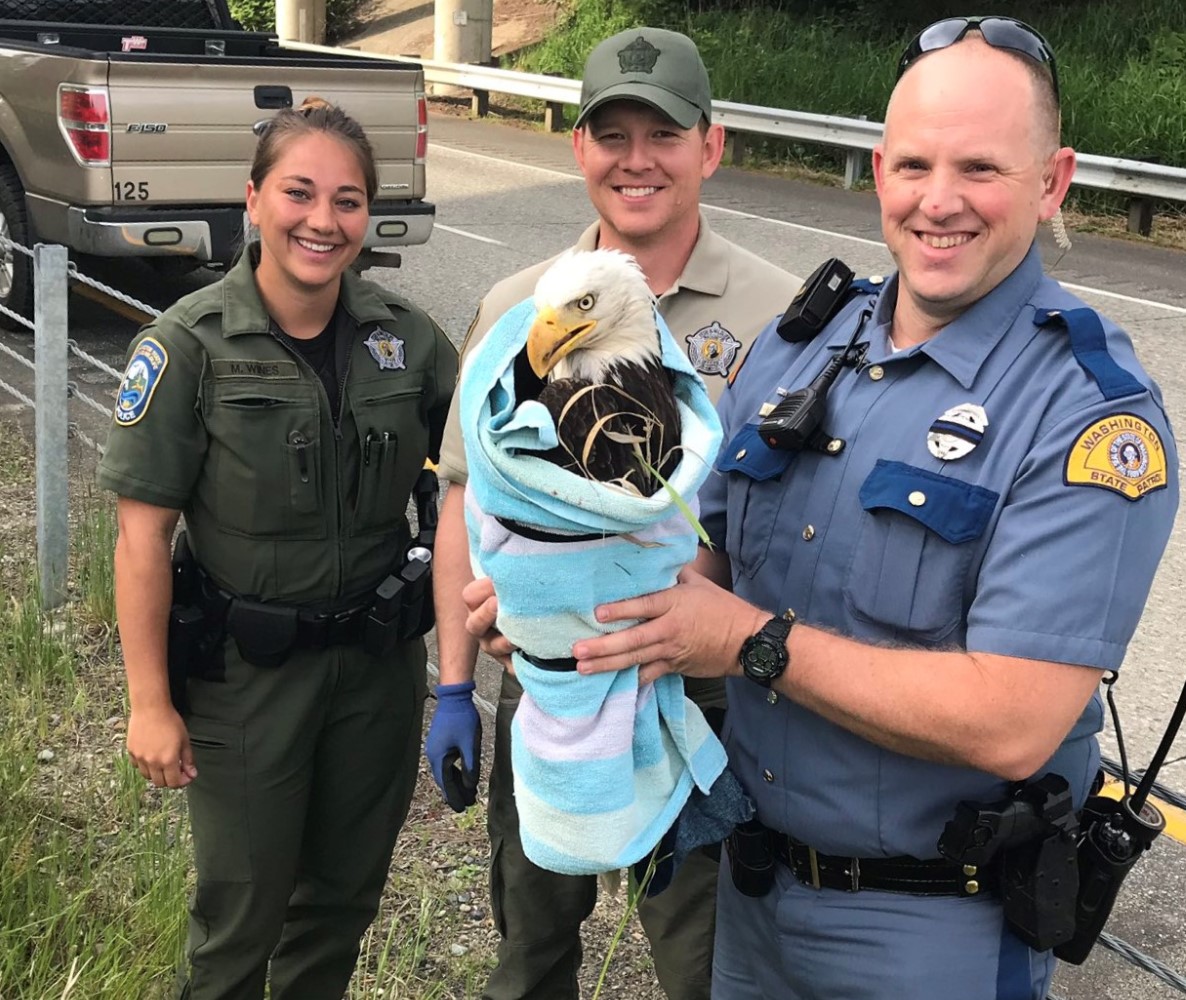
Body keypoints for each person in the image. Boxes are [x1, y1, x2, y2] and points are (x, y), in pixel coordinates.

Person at [484, 17, 1180, 1000]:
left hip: (931, 933)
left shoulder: (1084, 411)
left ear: (1051, 180)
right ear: (876, 168)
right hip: (754, 901)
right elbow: (702, 562)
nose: (937, 202)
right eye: (912, 165)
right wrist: (568, 610)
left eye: (979, 168)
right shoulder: (805, 342)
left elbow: (1014, 722)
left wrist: (749, 643)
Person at [424, 26, 800, 1000]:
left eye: (662, 133)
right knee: (529, 957)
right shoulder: (519, 310)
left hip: (705, 709)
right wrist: (457, 685)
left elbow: (799, 530)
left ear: (710, 147)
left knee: (704, 968)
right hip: (545, 695)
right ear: (578, 146)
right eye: (611, 133)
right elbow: (466, 495)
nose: (636, 159)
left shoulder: (779, 316)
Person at [97, 97, 457, 1000]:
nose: (322, 222)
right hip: (246, 681)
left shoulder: (407, 344)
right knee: (239, 918)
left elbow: (480, 475)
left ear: (368, 215)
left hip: (375, 679)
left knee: (340, 908)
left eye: (346, 201)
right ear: (252, 199)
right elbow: (142, 538)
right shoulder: (189, 347)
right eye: (299, 193)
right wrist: (149, 703)